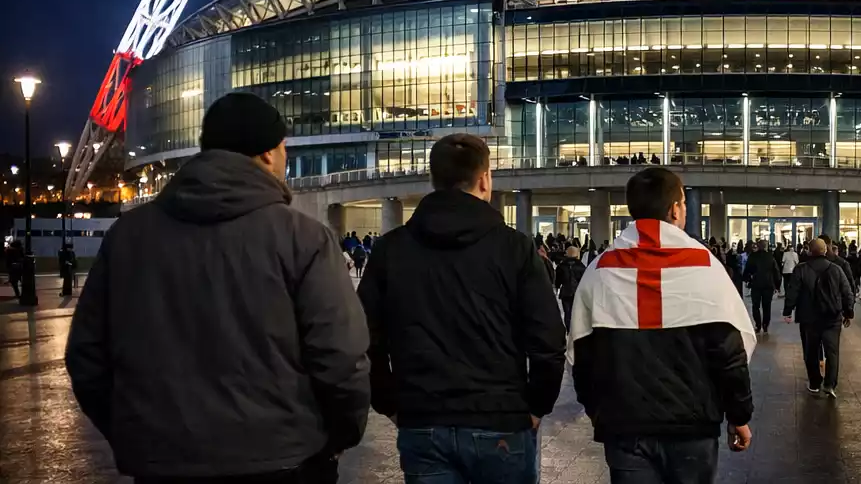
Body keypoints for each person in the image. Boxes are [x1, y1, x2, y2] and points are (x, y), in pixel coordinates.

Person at [66, 92, 368, 483]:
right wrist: (338, 435)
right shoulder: (303, 238)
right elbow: (341, 358)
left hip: (164, 463)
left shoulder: (128, 237)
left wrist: (137, 434)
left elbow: (88, 356)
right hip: (284, 459)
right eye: (284, 148)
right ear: (267, 154)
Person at [357, 133, 565, 484]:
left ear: (433, 180)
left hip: (423, 420)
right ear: (484, 179)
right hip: (500, 420)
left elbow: (364, 336)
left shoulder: (391, 250)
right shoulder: (514, 248)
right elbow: (548, 340)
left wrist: (387, 400)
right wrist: (536, 405)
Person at [570, 166, 754, 483]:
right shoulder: (705, 266)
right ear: (674, 209)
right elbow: (729, 353)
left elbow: (583, 353)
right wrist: (739, 415)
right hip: (693, 428)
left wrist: (596, 410)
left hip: (625, 428)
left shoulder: (600, 269)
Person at [783, 237, 855, 398]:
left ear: (809, 251)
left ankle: (815, 382)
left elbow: (792, 291)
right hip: (832, 317)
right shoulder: (836, 269)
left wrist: (788, 310)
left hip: (809, 318)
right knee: (832, 352)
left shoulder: (801, 269)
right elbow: (847, 292)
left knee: (811, 351)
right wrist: (848, 312)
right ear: (825, 250)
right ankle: (830, 384)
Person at [744, 240, 781, 333]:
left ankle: (758, 324)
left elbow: (747, 269)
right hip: (768, 285)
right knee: (766, 306)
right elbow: (776, 271)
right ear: (765, 246)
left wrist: (747, 280)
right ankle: (765, 325)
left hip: (756, 284)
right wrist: (777, 285)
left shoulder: (753, 256)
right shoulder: (770, 257)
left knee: (755, 306)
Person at [556, 244, 587, 330]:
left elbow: (557, 281)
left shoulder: (561, 266)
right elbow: (584, 280)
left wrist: (557, 287)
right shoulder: (581, 266)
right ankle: (576, 329)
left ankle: (569, 329)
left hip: (565, 292)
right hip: (577, 292)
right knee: (577, 312)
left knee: (567, 312)